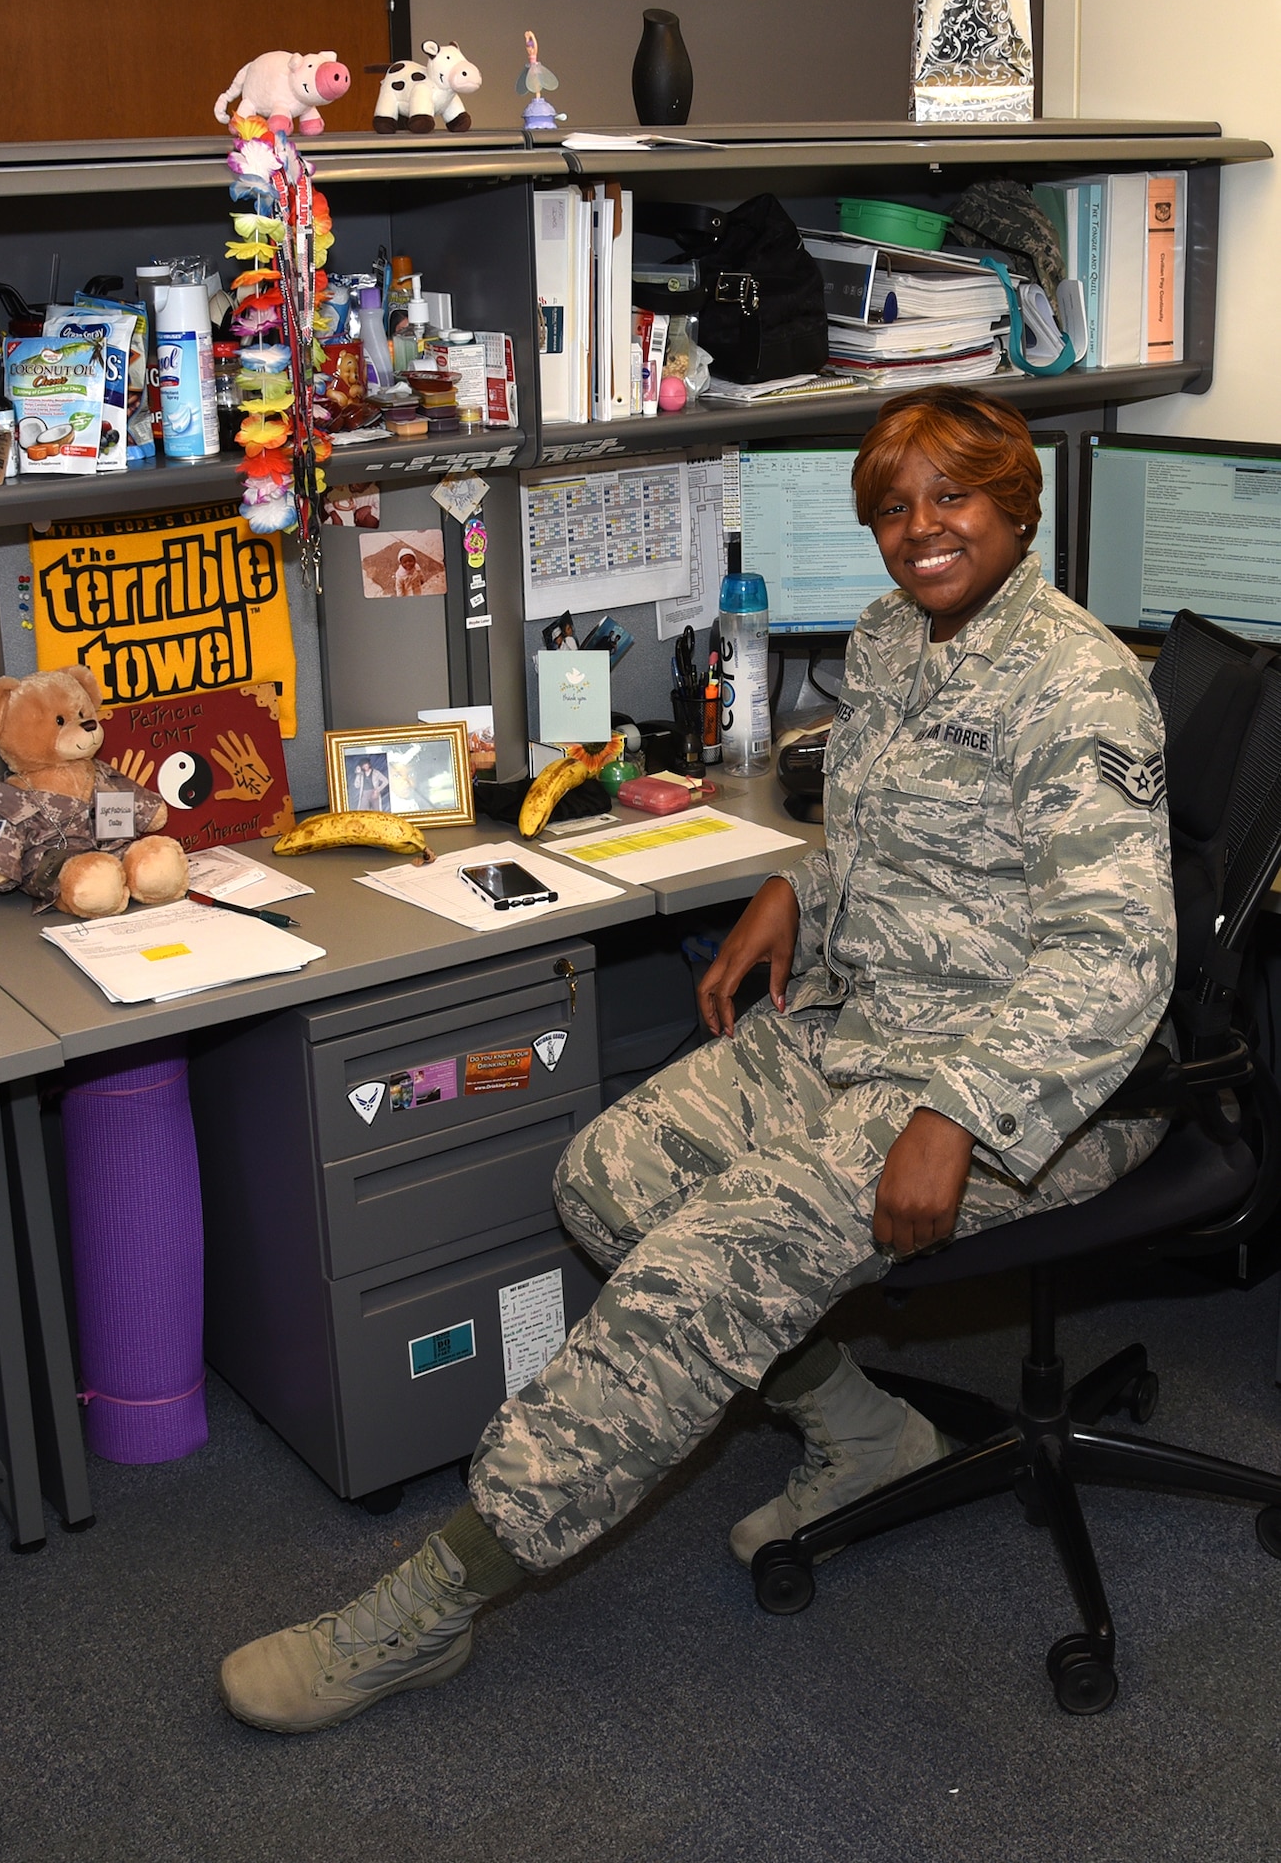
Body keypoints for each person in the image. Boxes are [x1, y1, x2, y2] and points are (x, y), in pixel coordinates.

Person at [218, 388, 1176, 1734]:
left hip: (1020, 1089)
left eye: (951, 497)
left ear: (1017, 505)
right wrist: (800, 888)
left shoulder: (1075, 683)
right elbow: (892, 840)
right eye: (892, 509)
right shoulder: (893, 639)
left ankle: (431, 1604)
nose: (920, 530)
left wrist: (955, 1109)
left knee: (707, 1264)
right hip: (865, 1023)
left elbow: (1118, 957)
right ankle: (865, 1431)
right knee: (606, 1176)